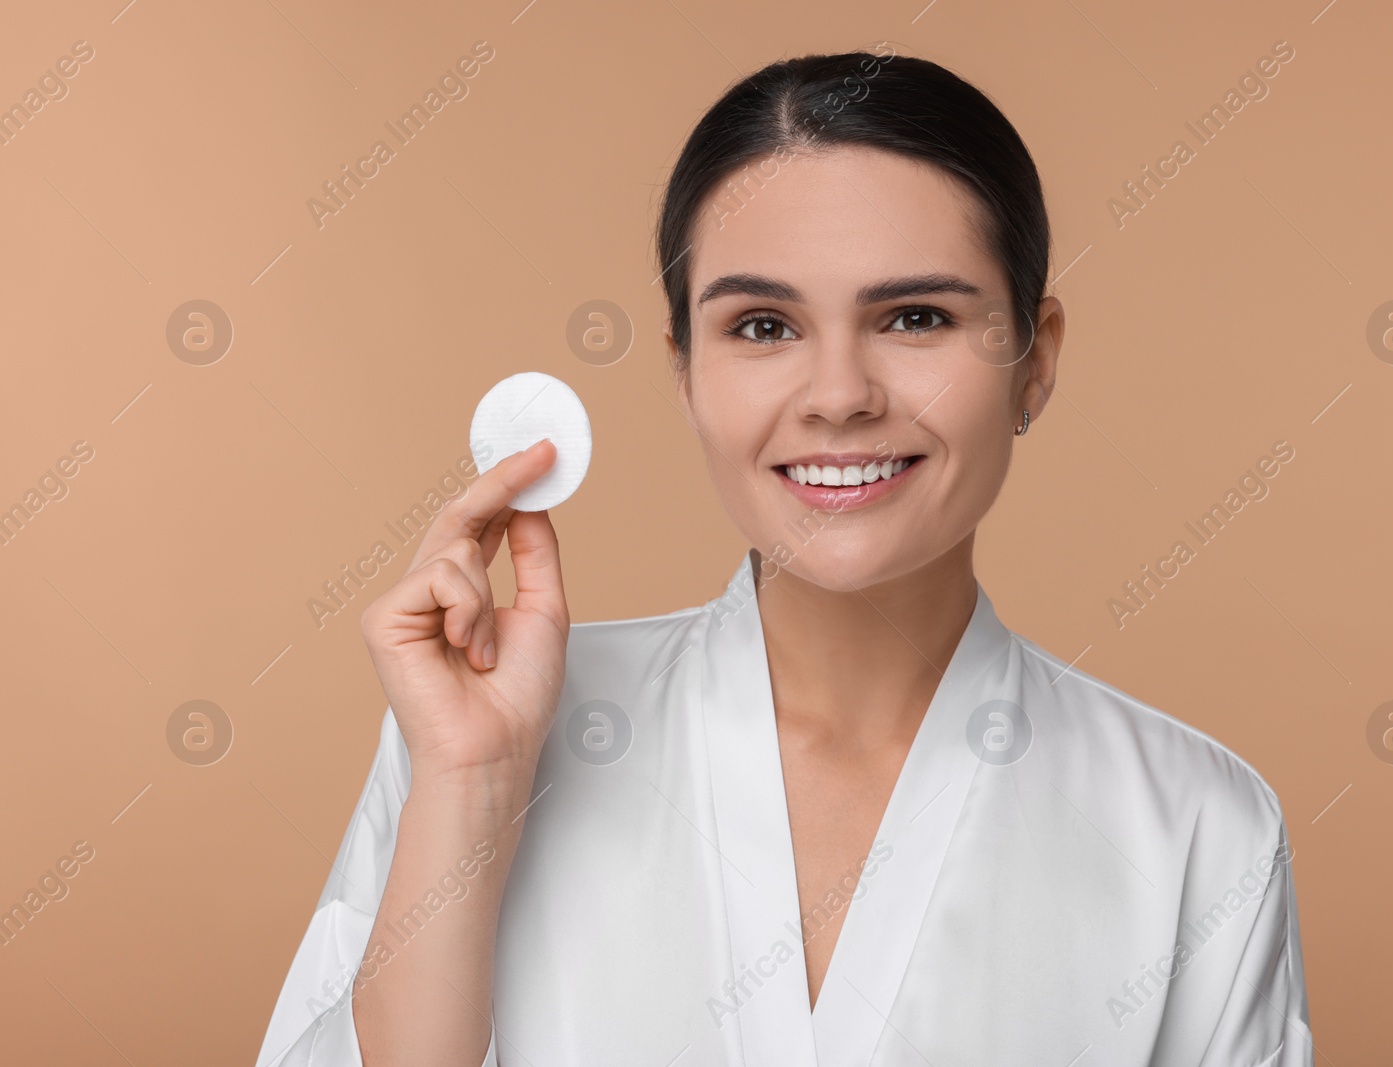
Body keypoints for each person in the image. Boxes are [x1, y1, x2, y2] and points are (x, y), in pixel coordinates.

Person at [255, 49, 1313, 1067]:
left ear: (1033, 361)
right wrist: (472, 787)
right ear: (684, 373)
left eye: (914, 316)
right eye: (763, 326)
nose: (839, 393)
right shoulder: (476, 736)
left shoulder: (1194, 825)